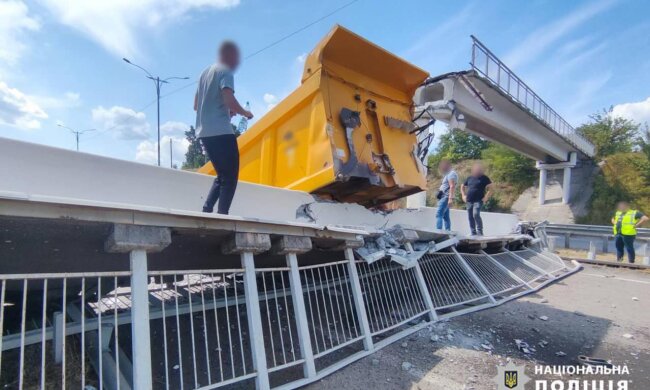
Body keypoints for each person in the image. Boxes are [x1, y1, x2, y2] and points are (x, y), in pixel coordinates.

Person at [194, 41, 253, 215]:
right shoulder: (225, 71)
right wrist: (243, 112)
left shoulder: (204, 74)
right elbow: (228, 97)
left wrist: (226, 110)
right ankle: (222, 216)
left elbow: (196, 105)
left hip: (204, 132)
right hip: (221, 131)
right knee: (230, 178)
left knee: (221, 175)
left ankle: (206, 210)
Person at [461, 163, 492, 236]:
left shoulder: (484, 178)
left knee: (475, 214)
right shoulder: (469, 178)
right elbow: (462, 186)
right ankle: (473, 232)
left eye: (478, 169)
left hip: (478, 200)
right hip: (469, 200)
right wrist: (463, 195)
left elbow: (491, 188)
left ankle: (480, 232)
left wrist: (486, 197)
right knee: (470, 216)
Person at [435, 160, 457, 230]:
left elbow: (452, 186)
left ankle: (438, 232)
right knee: (446, 216)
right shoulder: (448, 174)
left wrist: (450, 199)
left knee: (439, 214)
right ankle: (448, 231)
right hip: (445, 197)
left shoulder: (451, 173)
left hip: (446, 197)